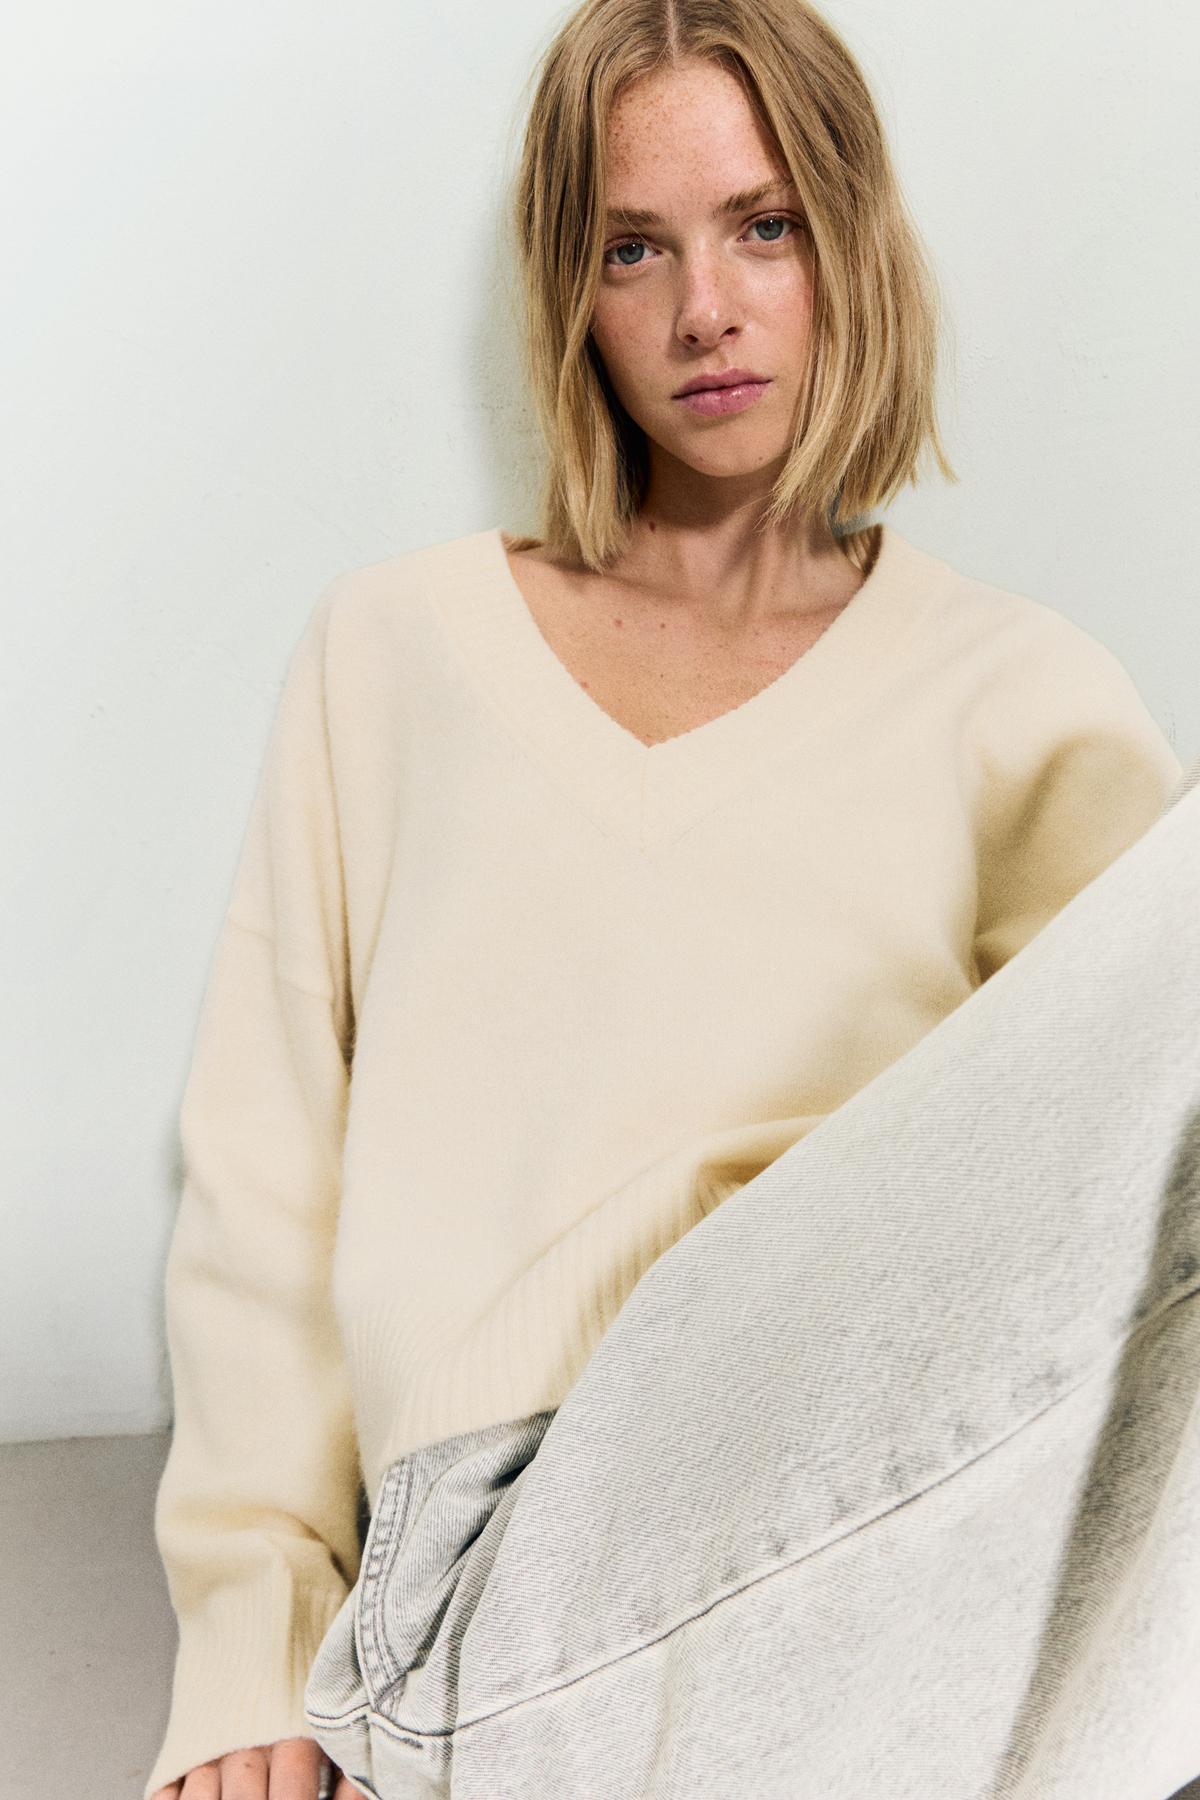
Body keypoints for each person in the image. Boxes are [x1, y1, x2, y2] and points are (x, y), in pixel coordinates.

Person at [144, 0, 1186, 1795]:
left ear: (849, 246)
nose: (706, 308)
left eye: (763, 227)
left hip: (881, 1548)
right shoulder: (397, 652)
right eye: (636, 248)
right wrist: (251, 1644)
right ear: (574, 292)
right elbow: (264, 1178)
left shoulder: (1024, 699)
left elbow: (1105, 1232)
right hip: (508, 1555)